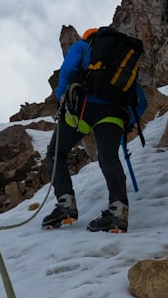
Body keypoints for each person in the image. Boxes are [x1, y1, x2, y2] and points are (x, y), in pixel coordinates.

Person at [42, 27, 148, 233]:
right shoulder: (123, 60)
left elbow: (69, 69)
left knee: (56, 153)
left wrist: (62, 97)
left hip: (83, 107)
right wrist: (126, 124)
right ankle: (118, 211)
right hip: (115, 112)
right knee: (108, 156)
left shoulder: (83, 46)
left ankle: (65, 204)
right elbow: (140, 101)